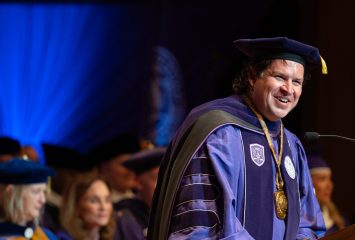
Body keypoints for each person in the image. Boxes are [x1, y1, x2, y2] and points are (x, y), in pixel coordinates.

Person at [148, 37, 327, 239]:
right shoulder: (220, 133)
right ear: (252, 76)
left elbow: (309, 223)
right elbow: (204, 224)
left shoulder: (291, 145)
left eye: (296, 82)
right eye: (279, 77)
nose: (288, 89)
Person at [115, 147, 166, 239]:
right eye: (156, 178)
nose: (164, 186)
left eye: (167, 179)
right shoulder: (127, 218)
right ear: (138, 182)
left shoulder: (170, 213)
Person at [0, 157, 57, 239]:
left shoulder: (46, 236)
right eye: (36, 191)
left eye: (43, 192)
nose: (43, 200)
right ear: (10, 192)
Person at [57, 172, 115, 240]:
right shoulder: (62, 238)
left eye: (107, 200)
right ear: (76, 206)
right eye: (94, 201)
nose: (103, 207)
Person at [87, 133, 141, 205]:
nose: (131, 171)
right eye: (125, 165)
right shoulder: (99, 206)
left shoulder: (140, 202)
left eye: (134, 164)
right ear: (104, 167)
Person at [307, 151, 348, 234]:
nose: (330, 185)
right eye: (322, 179)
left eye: (329, 179)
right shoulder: (300, 224)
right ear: (307, 183)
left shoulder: (338, 221)